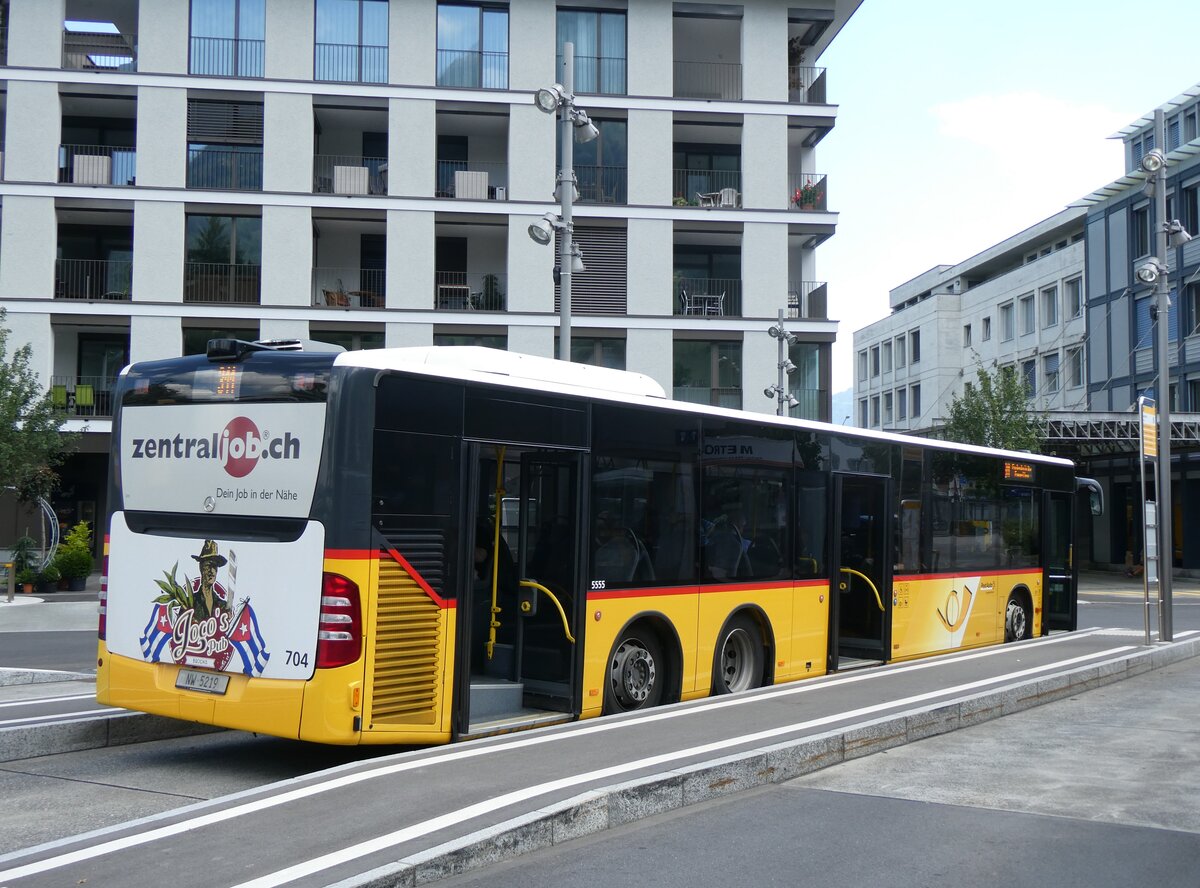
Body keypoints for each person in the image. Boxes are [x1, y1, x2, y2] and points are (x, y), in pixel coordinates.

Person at [191, 539, 234, 622]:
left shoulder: (222, 606)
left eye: (214, 566)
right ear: (201, 568)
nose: (211, 571)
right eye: (208, 566)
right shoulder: (190, 603)